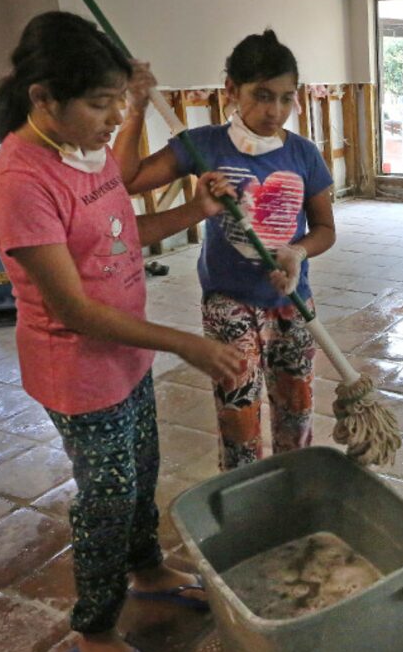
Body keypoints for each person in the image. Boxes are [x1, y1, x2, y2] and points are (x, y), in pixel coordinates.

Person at [0, 11, 246, 652]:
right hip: (77, 371)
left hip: (127, 356)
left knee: (142, 468)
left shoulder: (85, 153)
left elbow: (124, 239)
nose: (111, 121)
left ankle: (148, 567)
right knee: (106, 497)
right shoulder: (20, 184)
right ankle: (93, 630)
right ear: (44, 99)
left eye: (118, 103)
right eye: (100, 105)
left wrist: (196, 212)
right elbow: (74, 309)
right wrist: (188, 343)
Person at [117, 29, 335, 471]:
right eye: (261, 95)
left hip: (291, 301)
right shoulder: (204, 146)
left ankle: (294, 488)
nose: (274, 111)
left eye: (285, 98)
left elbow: (326, 229)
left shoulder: (304, 155)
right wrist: (136, 107)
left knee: (296, 410)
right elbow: (123, 181)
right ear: (231, 90)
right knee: (239, 413)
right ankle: (242, 495)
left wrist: (297, 253)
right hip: (229, 302)